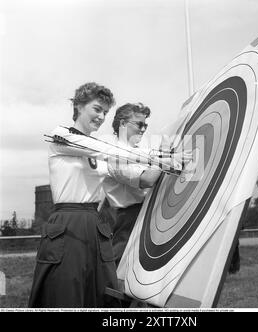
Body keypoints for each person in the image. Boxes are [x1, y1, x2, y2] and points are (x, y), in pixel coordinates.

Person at [28, 84, 175, 308]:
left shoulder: (103, 148)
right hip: (68, 222)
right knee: (66, 291)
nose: (101, 116)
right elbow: (113, 152)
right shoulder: (61, 135)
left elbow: (123, 160)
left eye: (105, 112)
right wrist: (161, 156)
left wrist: (166, 158)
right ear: (78, 105)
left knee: (103, 294)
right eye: (97, 109)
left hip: (95, 224)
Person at [102, 103, 178, 266]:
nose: (143, 129)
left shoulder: (137, 151)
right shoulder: (114, 153)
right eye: (139, 124)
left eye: (145, 125)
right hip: (126, 217)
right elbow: (147, 180)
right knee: (120, 266)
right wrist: (164, 155)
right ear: (122, 124)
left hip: (144, 211)